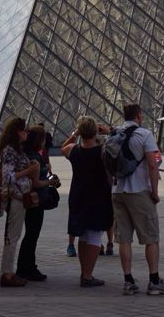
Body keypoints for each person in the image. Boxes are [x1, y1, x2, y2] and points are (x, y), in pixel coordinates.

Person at [112, 103, 164, 295]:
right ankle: (154, 280)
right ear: (139, 115)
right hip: (139, 190)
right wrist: (155, 192)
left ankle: (128, 280)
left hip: (117, 191)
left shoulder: (114, 134)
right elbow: (153, 165)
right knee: (151, 238)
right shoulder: (144, 134)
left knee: (124, 238)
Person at [61, 117, 113, 287]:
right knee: (95, 236)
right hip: (97, 195)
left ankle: (84, 272)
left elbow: (63, 147)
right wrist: (108, 131)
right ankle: (88, 275)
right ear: (95, 131)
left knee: (83, 235)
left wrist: (75, 133)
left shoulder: (72, 150)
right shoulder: (102, 151)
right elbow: (109, 174)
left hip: (77, 195)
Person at [0, 118, 40, 287]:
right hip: (16, 198)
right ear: (17, 131)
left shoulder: (16, 150)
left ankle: (8, 272)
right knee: (12, 236)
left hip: (21, 197)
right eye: (24, 130)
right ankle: (7, 274)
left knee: (13, 235)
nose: (27, 133)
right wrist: (28, 170)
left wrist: (29, 166)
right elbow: (8, 176)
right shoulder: (10, 151)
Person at [14, 125, 57, 283]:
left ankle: (27, 266)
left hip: (32, 200)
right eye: (44, 139)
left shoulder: (27, 153)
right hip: (35, 201)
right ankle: (26, 268)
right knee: (32, 235)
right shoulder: (34, 158)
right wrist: (51, 182)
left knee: (31, 235)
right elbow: (35, 183)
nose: (46, 141)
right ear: (39, 140)